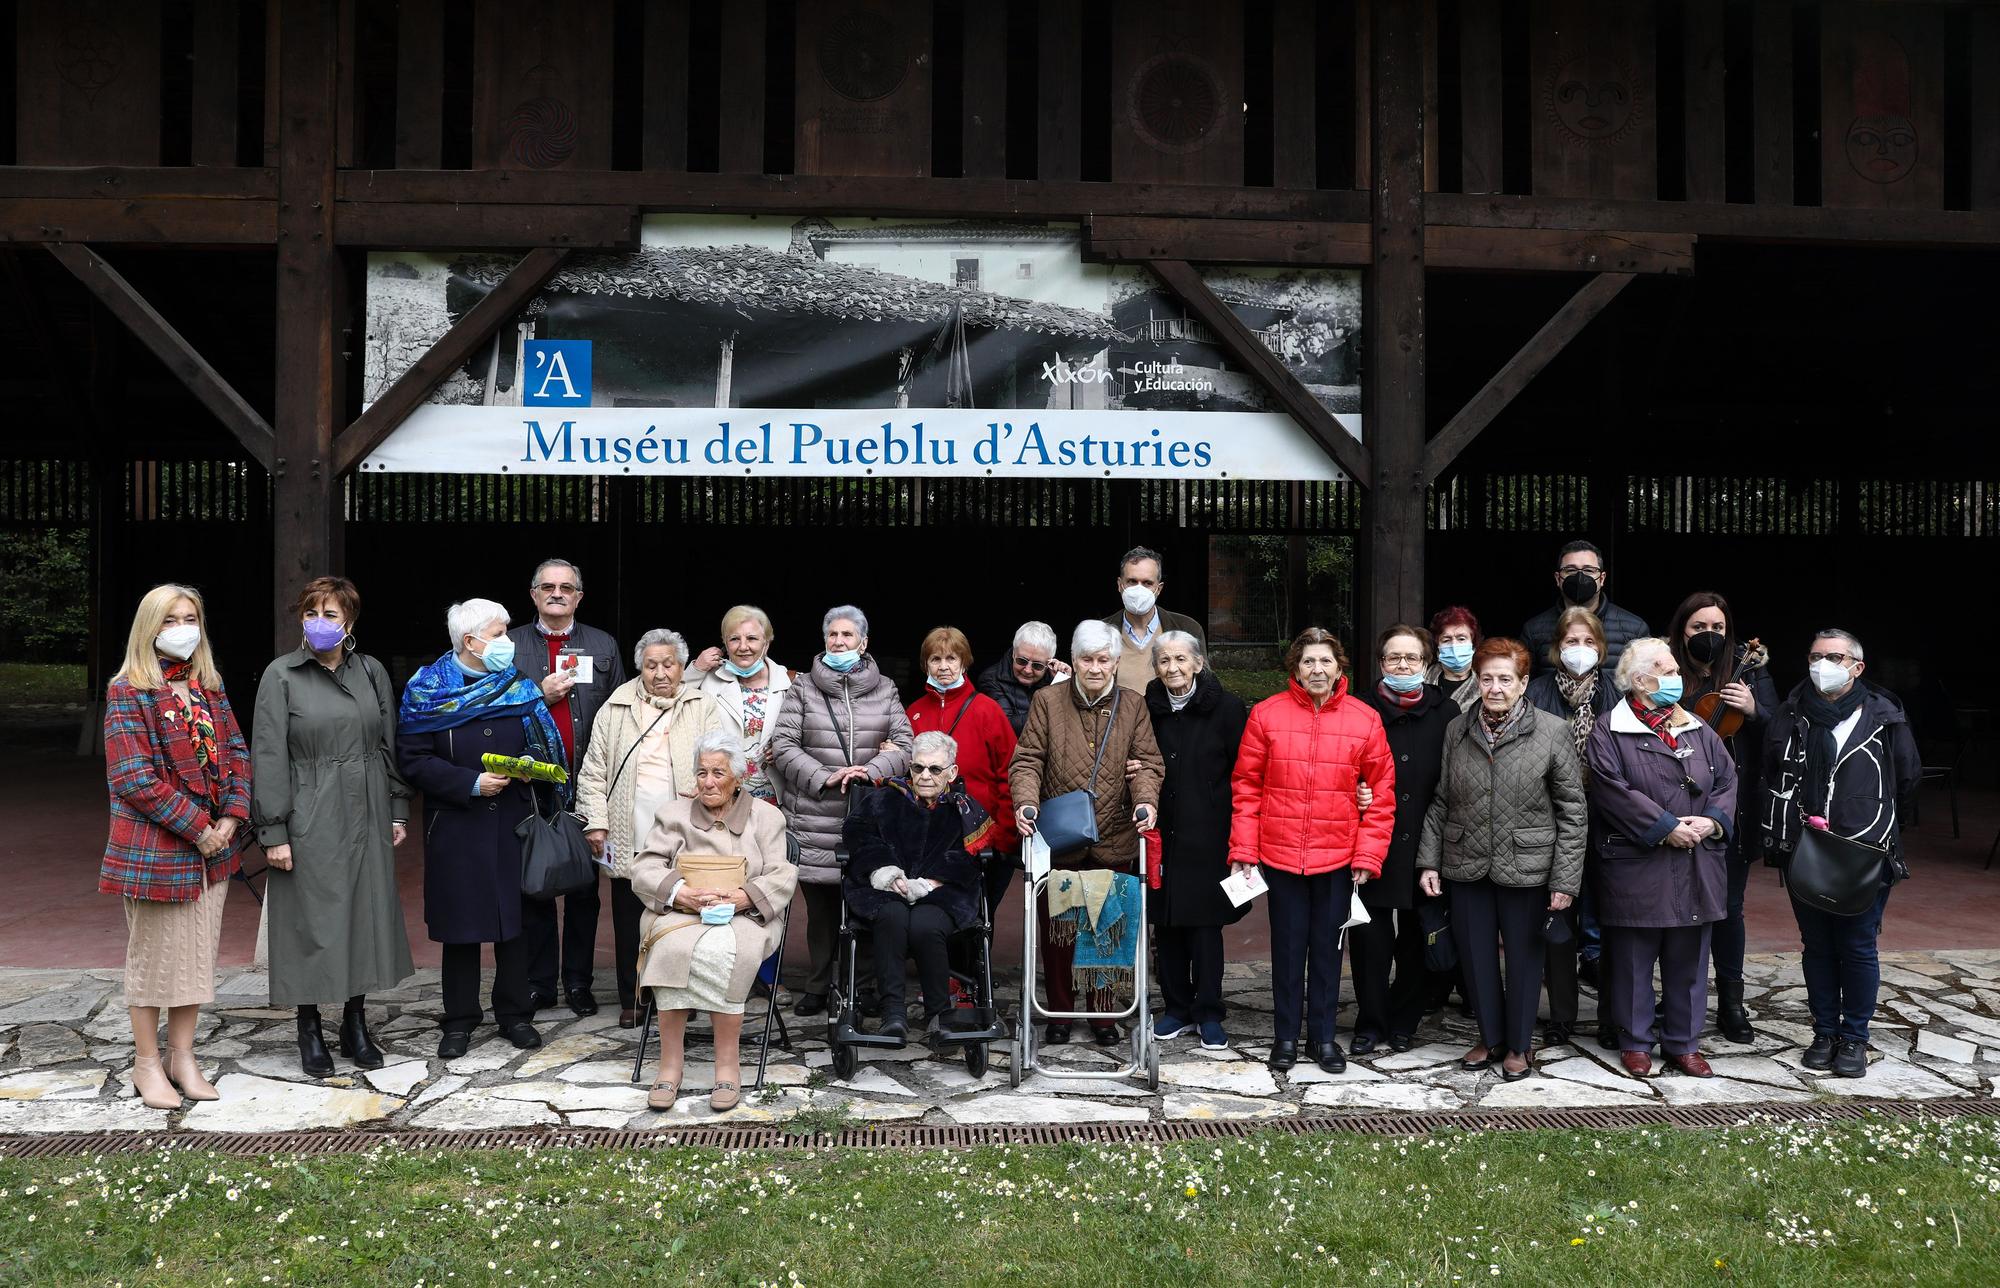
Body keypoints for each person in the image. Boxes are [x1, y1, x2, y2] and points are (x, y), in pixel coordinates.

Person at [251, 576, 415, 1076]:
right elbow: (269, 755)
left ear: (349, 623)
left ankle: (354, 1021)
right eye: (311, 614)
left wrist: (397, 807)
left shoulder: (371, 672)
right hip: (309, 805)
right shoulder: (281, 675)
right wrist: (273, 831)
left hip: (365, 802)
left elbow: (389, 743)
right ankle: (308, 1026)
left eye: (330, 615)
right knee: (311, 918)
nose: (319, 624)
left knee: (363, 912)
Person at [100, 584, 252, 1110]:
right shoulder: (128, 690)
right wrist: (199, 827)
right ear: (149, 628)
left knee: (193, 960)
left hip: (214, 850)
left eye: (190, 618)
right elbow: (133, 777)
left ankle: (182, 1057)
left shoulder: (208, 685)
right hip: (159, 850)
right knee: (152, 963)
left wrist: (233, 815)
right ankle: (147, 1063)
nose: (182, 628)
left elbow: (235, 750)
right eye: (169, 620)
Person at [1417, 638, 1587, 1081]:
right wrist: (1429, 861)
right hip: (1466, 859)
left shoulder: (1552, 730)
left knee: (1526, 959)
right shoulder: (1457, 729)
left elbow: (1573, 811)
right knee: (1475, 957)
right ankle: (1489, 1036)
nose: (1494, 687)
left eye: (1505, 679)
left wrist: (1564, 882)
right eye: (1487, 678)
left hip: (1529, 867)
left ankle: (1519, 1044)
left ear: (1524, 682)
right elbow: (1441, 800)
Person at [397, 598, 559, 1057]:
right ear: (471, 641)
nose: (509, 641)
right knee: (461, 925)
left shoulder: (517, 686)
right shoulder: (426, 690)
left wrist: (532, 767)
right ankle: (459, 1020)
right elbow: (413, 759)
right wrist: (468, 783)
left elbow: (543, 744)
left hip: (513, 823)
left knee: (515, 923)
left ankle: (514, 1015)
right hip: (455, 827)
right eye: (500, 632)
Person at [1231, 627, 1395, 1075]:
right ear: (1295, 670)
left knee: (1327, 951)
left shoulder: (1364, 719)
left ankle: (1323, 1038)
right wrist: (1244, 847)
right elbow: (1247, 786)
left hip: (1337, 858)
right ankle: (1285, 1037)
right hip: (1280, 855)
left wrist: (1367, 855)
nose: (1317, 669)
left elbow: (1380, 792)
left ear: (1340, 667)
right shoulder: (1266, 715)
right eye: (1308, 662)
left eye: (1325, 661)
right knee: (1286, 950)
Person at [1760, 628, 1920, 1079]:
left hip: (1865, 852)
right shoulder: (1791, 714)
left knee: (1857, 945)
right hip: (1806, 850)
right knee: (1817, 946)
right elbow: (1774, 770)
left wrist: (1871, 823)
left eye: (1834, 657)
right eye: (1815, 656)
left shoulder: (1884, 715)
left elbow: (1907, 780)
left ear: (1857, 667)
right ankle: (1824, 1032)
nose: (1822, 665)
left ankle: (1854, 1038)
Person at [1585, 637, 1739, 1080]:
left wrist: (1712, 821)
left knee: (1689, 959)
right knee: (1634, 958)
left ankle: (1683, 1043)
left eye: (1674, 670)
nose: (1676, 678)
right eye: (1666, 671)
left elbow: (1727, 779)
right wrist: (1665, 828)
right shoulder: (1608, 729)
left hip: (1697, 858)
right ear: (1639, 681)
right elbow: (1613, 790)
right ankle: (1635, 1042)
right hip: (1638, 862)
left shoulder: (1697, 727)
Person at [1010, 619, 1164, 1046]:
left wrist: (1146, 801)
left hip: (1114, 836)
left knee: (1108, 929)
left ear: (1115, 662)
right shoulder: (1047, 700)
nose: (1095, 668)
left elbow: (1148, 761)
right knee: (1059, 935)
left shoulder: (1132, 705)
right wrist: (1026, 802)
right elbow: (1027, 760)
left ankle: (1103, 1016)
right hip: (1061, 841)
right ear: (1072, 661)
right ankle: (1058, 1011)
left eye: (1103, 659)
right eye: (1086, 659)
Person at [629, 730, 798, 1112]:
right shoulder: (673, 814)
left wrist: (743, 897)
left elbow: (782, 874)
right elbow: (644, 868)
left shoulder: (766, 816)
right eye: (702, 773)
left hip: (746, 918)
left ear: (738, 777)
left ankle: (727, 1066)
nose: (708, 782)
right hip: (680, 915)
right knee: (668, 949)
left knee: (727, 950)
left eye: (718, 773)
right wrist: (680, 893)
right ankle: (670, 1066)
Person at [767, 604, 914, 1018]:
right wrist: (825, 776)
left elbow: (905, 743)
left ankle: (862, 985)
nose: (839, 642)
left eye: (848, 636)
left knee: (870, 901)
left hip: (870, 818)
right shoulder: (802, 690)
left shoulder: (885, 688)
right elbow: (783, 747)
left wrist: (870, 771)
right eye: (833, 635)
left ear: (863, 643)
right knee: (822, 912)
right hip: (815, 814)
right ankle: (817, 984)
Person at [574, 628, 724, 1028]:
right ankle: (634, 996)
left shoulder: (701, 705)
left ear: (681, 667)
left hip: (687, 831)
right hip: (630, 827)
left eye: (669, 664)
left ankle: (679, 996)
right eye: (651, 664)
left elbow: (723, 761)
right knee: (629, 918)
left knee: (683, 915)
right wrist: (596, 823)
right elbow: (592, 773)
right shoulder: (615, 707)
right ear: (640, 667)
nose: (660, 672)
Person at [506, 558, 627, 1018]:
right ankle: (540, 983)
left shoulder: (602, 644)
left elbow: (619, 714)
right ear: (534, 594)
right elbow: (492, 708)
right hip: (530, 785)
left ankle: (577, 981)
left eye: (566, 587)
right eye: (547, 587)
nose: (557, 593)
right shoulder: (509, 645)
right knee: (534, 885)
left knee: (583, 889)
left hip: (587, 786)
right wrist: (538, 692)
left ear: (579, 596)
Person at [1666, 591, 1779, 1045]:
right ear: (1682, 632)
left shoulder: (1753, 672)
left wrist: (1754, 709)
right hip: (1674, 805)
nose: (1708, 636)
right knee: (1673, 908)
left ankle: (1732, 1002)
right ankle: (1675, 997)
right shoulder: (1668, 671)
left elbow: (1780, 731)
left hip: (1733, 807)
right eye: (1698, 628)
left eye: (1716, 629)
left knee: (1729, 909)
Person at [842, 731, 995, 1043]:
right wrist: (885, 871)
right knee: (893, 917)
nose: (924, 776)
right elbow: (856, 834)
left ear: (952, 772)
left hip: (943, 891)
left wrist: (930, 882)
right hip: (884, 888)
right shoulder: (884, 798)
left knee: (926, 925)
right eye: (917, 768)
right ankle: (893, 1014)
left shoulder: (964, 808)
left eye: (935, 769)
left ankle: (939, 1015)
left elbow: (972, 856)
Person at [1353, 625, 1456, 1055]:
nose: (1402, 665)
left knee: (1417, 939)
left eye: (1411, 658)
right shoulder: (1359, 709)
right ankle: (1371, 1021)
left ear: (1426, 664)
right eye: (1394, 658)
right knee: (1369, 941)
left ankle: (1405, 1021)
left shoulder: (1447, 712)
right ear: (1381, 664)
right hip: (1371, 841)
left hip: (1426, 842)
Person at [1145, 630, 1249, 1050]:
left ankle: (1208, 1010)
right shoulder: (1147, 707)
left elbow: (1245, 772)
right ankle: (1176, 1007)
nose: (1173, 669)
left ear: (1198, 663)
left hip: (1211, 834)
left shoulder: (1226, 708)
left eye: (1181, 660)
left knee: (1206, 928)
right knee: (1166, 924)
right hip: (1160, 832)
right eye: (1164, 661)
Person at [1523, 605, 1616, 1046]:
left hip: (1608, 822)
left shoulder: (1616, 693)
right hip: (1552, 823)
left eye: (1588, 642)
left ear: (1601, 647)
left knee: (1615, 921)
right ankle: (1561, 1014)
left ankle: (1612, 1016)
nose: (1580, 650)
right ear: (1556, 649)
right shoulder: (1537, 692)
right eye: (1570, 642)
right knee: (1558, 923)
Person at [907, 626, 1019, 940]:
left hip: (979, 836)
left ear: (964, 663)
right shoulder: (913, 713)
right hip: (927, 837)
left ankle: (971, 981)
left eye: (951, 658)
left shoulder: (987, 710)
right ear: (925, 665)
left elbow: (1009, 774)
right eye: (935, 659)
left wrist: (1004, 835)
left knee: (977, 914)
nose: (943, 666)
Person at [691, 604, 797, 803]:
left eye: (752, 638)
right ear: (725, 643)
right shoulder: (708, 680)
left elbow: (814, 734)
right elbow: (671, 697)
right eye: (734, 639)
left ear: (766, 642)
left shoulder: (791, 683)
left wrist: (787, 747)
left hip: (777, 799)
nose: (743, 646)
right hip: (724, 797)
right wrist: (696, 669)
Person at [1523, 539, 1650, 676]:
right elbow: (1524, 686)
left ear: (1601, 579)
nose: (1580, 576)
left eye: (1589, 570)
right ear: (1558, 579)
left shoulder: (1634, 630)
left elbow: (1645, 686)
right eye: (1570, 570)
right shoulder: (1534, 631)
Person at [1101, 545, 1206, 694]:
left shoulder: (1187, 628)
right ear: (1120, 585)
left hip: (1170, 716)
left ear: (1159, 588)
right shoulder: (1101, 631)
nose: (1139, 589)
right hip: (1118, 716)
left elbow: (1205, 683)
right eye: (1132, 581)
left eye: (1147, 583)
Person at [975, 620, 1069, 735]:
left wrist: (1069, 684)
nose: (1028, 670)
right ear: (1014, 653)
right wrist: (1054, 697)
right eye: (1022, 661)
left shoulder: (1056, 678)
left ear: (1049, 662)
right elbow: (1007, 727)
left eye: (1037, 665)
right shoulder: (990, 679)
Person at [1426, 606, 1482, 712]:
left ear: (1473, 646)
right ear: (1438, 648)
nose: (1454, 645)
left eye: (1461, 638)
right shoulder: (1422, 680)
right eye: (1446, 640)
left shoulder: (1485, 684)